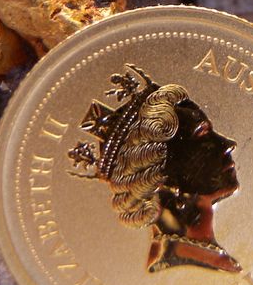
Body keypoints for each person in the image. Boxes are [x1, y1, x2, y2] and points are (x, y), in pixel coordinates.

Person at [70, 65, 241, 273]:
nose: (227, 144)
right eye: (202, 136)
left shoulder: (212, 258)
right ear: (161, 176)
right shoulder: (180, 271)